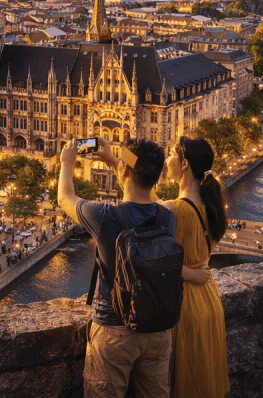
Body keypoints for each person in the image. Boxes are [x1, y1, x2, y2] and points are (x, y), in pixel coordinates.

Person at [57, 137, 174, 398]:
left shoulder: (103, 216)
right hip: (158, 331)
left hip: (113, 329)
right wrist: (115, 161)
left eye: (123, 162)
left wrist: (67, 163)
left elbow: (64, 197)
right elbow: (143, 191)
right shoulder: (168, 216)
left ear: (126, 170)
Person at [160, 137, 230, 398]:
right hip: (209, 301)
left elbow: (157, 263)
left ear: (184, 163)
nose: (167, 160)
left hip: (184, 305)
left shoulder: (172, 210)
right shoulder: (212, 207)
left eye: (170, 154)